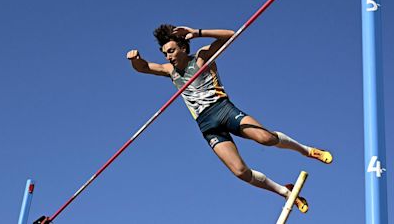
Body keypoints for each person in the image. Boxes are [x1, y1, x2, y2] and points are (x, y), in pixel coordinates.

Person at [127, 24, 333, 213]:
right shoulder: (169, 71)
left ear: (182, 47)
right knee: (240, 171)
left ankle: (308, 151)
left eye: (171, 51)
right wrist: (135, 60)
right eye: (165, 54)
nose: (168, 57)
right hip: (207, 125)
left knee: (266, 139)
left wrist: (197, 33)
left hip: (224, 110)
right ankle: (286, 192)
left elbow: (230, 36)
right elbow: (144, 67)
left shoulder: (201, 57)